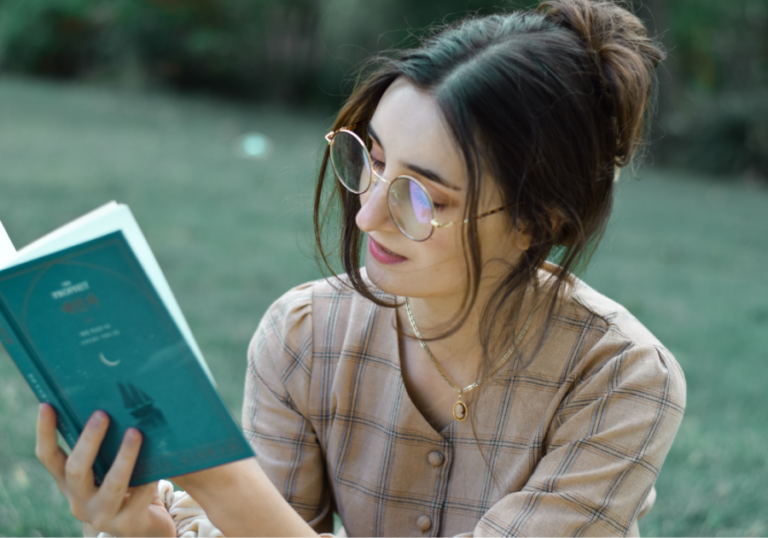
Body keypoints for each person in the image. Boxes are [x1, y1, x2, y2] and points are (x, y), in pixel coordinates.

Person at [35, 0, 686, 535]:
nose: (368, 214)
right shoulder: (304, 335)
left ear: (538, 222)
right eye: (372, 160)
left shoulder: (622, 380)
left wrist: (225, 482)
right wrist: (148, 530)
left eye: (425, 196)